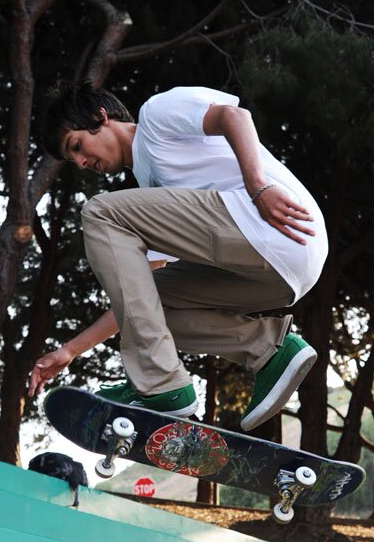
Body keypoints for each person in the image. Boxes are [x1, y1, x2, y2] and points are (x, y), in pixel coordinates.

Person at [29, 83, 328, 430]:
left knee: (98, 213)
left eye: (77, 146)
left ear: (101, 117)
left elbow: (234, 116)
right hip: (282, 272)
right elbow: (136, 299)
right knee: (149, 308)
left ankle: (161, 385)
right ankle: (269, 349)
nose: (81, 163)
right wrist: (71, 350)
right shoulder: (150, 198)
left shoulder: (156, 115)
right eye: (73, 160)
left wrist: (257, 185)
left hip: (276, 225)